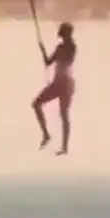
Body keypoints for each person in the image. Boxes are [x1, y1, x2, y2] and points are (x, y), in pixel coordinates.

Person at [32, 22, 77, 156]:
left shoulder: (71, 47)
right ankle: (46, 134)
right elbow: (48, 62)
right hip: (58, 83)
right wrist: (42, 50)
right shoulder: (61, 47)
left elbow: (66, 58)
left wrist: (55, 53)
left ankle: (64, 147)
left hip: (65, 84)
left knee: (64, 114)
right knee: (36, 104)